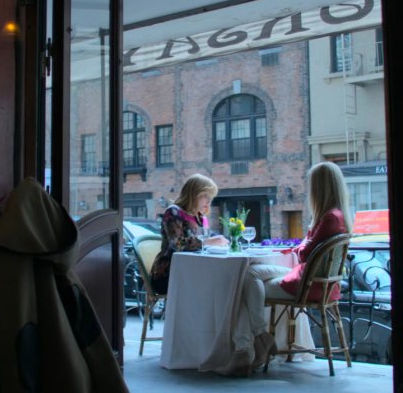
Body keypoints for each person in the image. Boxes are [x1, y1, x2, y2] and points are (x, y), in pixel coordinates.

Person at [229, 161, 353, 376]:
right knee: (251, 274)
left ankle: (258, 340)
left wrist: (304, 242)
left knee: (246, 283)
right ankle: (261, 338)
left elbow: (305, 254)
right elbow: (305, 250)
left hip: (309, 284)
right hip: (318, 281)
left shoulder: (329, 219)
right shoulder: (336, 215)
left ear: (319, 188)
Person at [150, 173, 226, 295]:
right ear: (194, 195)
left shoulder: (200, 218)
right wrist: (207, 242)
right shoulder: (173, 212)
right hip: (169, 273)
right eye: (205, 196)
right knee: (216, 285)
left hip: (195, 270)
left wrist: (218, 241)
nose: (208, 201)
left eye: (210, 198)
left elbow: (208, 242)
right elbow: (177, 244)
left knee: (224, 281)